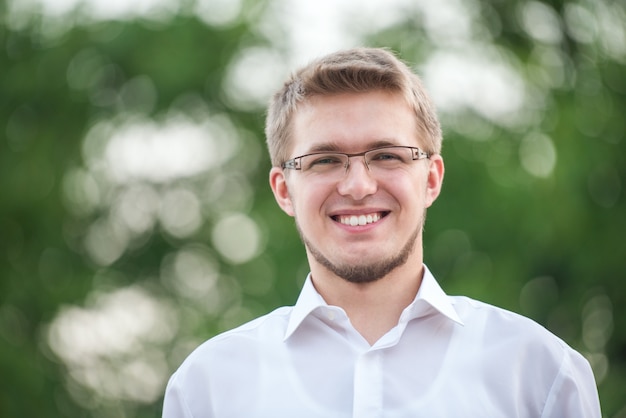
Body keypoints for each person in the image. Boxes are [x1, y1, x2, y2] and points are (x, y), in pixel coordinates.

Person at [162, 47, 601, 417]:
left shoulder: (541, 373)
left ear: (431, 178)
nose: (357, 186)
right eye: (324, 160)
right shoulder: (208, 388)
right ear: (283, 190)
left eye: (388, 156)